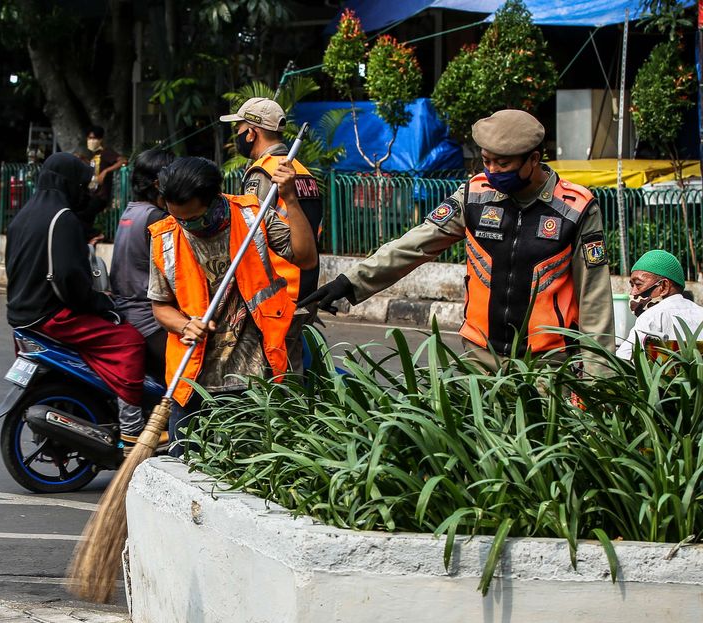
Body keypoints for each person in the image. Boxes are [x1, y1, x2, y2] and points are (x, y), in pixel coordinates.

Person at [303, 109, 614, 373]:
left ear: (533, 159)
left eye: (502, 164)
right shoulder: (474, 196)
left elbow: (594, 296)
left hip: (547, 364)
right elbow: (415, 244)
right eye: (486, 161)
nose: (491, 171)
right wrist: (351, 282)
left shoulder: (576, 207)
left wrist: (598, 379)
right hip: (479, 360)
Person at [147, 157, 317, 446]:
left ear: (215, 200)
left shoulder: (253, 215)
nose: (189, 226)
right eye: (180, 219)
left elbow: (306, 257)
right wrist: (185, 325)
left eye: (195, 218)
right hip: (194, 381)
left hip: (258, 376)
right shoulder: (164, 236)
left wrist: (290, 199)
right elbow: (160, 305)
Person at [5, 152, 148, 443]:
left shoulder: (24, 215)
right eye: (82, 186)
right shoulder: (62, 219)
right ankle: (133, 428)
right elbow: (67, 280)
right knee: (129, 342)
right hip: (53, 315)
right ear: (68, 183)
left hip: (22, 312)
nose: (84, 192)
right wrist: (102, 304)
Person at [222, 96, 324, 301]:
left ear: (251, 133)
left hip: (278, 289)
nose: (238, 136)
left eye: (239, 130)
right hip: (306, 284)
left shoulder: (263, 172)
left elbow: (253, 232)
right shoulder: (302, 171)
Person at [110, 149, 176, 384]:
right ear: (159, 183)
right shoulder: (157, 219)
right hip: (150, 320)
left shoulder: (130, 212)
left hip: (127, 313)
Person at [617, 250, 703, 360]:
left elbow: (623, 360)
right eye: (632, 285)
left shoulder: (651, 317)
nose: (632, 293)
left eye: (638, 284)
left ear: (664, 286)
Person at [82, 125, 126, 233]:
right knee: (85, 217)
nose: (91, 141)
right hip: (92, 194)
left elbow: (123, 160)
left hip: (100, 196)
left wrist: (106, 171)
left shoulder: (106, 152)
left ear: (100, 139)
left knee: (84, 215)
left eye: (94, 138)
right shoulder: (94, 155)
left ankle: (96, 235)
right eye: (89, 138)